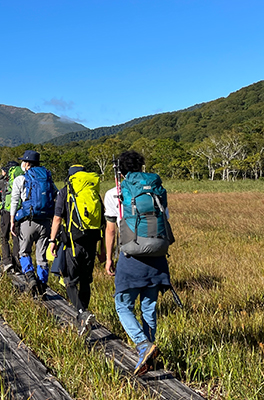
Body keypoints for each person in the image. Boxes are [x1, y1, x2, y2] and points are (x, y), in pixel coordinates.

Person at [104, 150, 171, 376]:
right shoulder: (156, 190)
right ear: (142, 168)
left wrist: (108, 258)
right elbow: (165, 218)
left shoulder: (115, 192)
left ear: (120, 171)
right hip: (157, 256)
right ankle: (148, 354)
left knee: (122, 305)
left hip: (132, 256)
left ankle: (143, 345)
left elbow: (111, 229)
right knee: (149, 307)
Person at [48, 165, 105, 335]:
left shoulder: (66, 191)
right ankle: (83, 317)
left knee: (69, 280)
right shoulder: (93, 191)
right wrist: (102, 248)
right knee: (86, 280)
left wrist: (52, 241)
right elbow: (102, 219)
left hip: (73, 242)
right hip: (91, 241)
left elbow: (57, 218)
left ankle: (82, 312)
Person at [10, 150, 57, 297]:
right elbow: (55, 194)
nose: (22, 164)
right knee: (41, 256)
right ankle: (42, 285)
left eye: (24, 161)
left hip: (28, 221)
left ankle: (30, 277)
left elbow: (14, 201)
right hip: (46, 223)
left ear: (28, 164)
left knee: (24, 252)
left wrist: (12, 220)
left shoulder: (21, 179)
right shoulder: (48, 178)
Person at [0, 161, 23, 274]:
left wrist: (3, 176)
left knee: (4, 237)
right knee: (16, 238)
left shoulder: (5, 181)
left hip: (6, 211)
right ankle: (18, 266)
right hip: (19, 211)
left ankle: (7, 261)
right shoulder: (22, 178)